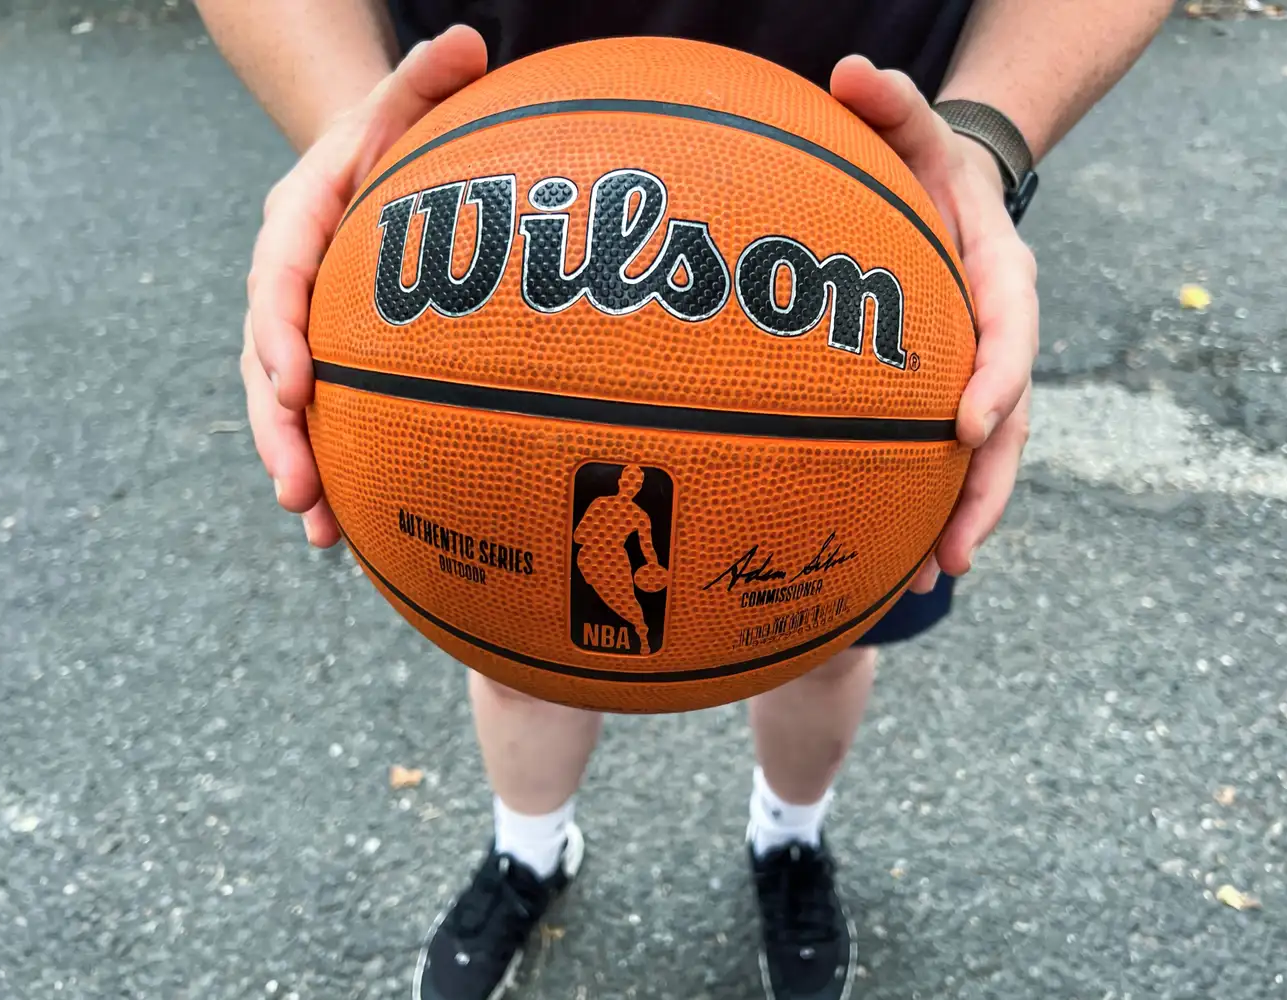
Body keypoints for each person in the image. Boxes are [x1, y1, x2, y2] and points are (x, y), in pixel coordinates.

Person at [193, 2, 1172, 997]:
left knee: (830, 642)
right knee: (515, 646)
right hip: (490, 193)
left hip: (872, 224)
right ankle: (528, 849)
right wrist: (348, 125)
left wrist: (987, 132)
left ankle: (788, 838)